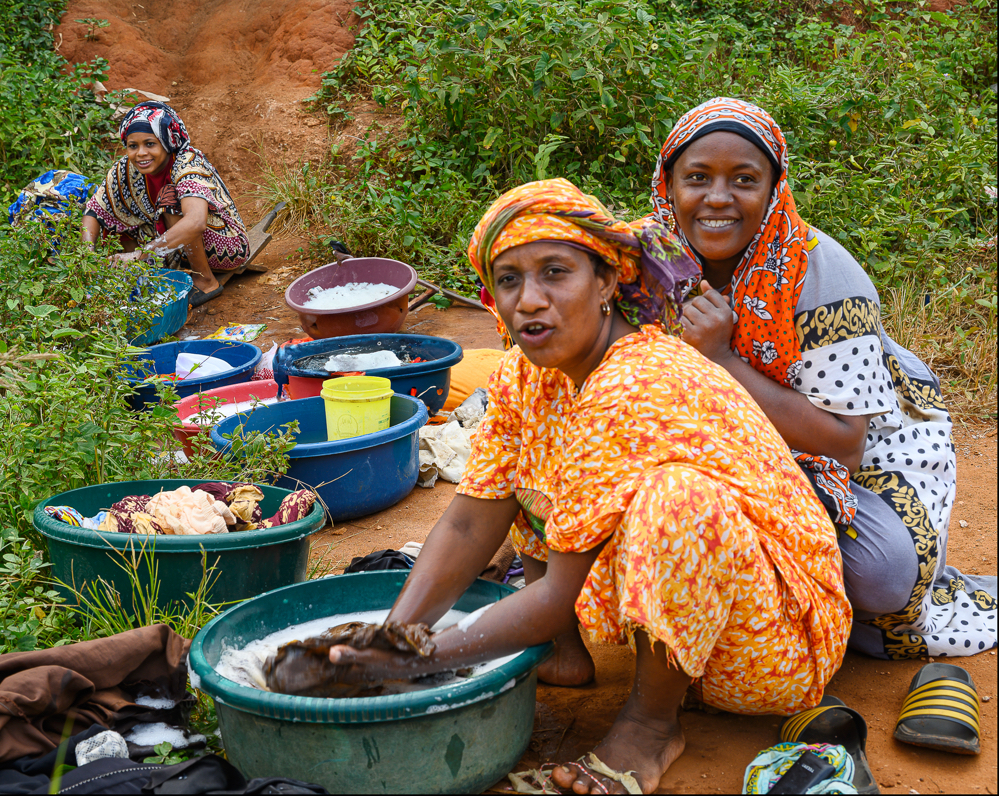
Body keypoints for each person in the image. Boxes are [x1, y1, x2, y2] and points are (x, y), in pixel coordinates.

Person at [296, 179, 851, 795]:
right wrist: (389, 638)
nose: (530, 300)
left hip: (768, 641)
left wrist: (417, 659)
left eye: (555, 272)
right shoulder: (527, 377)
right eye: (509, 280)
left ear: (607, 282)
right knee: (525, 466)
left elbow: (561, 591)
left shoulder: (642, 378)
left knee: (678, 501)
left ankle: (649, 728)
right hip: (695, 610)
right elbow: (466, 520)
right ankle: (563, 655)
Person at [652, 97, 996, 661]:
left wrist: (723, 361)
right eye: (696, 177)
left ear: (774, 189)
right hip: (722, 453)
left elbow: (844, 443)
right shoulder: (651, 260)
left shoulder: (821, 274)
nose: (717, 198)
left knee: (882, 575)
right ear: (668, 185)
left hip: (859, 459)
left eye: (743, 179)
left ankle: (804, 609)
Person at [82, 101, 250, 305]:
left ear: (167, 142)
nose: (141, 153)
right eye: (133, 146)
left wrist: (140, 255)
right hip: (172, 246)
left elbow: (196, 222)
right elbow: (95, 209)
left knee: (169, 197)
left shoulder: (187, 164)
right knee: (116, 209)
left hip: (223, 247)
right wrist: (86, 255)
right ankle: (137, 281)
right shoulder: (125, 169)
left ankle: (205, 281)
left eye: (150, 144)